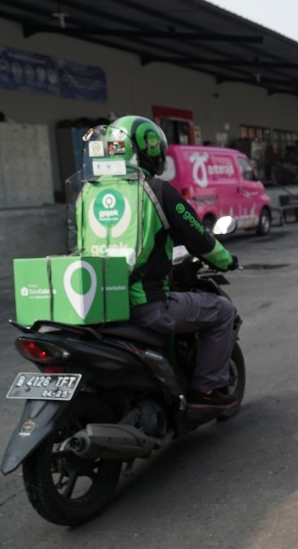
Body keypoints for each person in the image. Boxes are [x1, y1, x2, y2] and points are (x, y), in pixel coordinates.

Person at [102, 115, 240, 410]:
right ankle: (205, 388)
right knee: (222, 311)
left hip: (100, 303)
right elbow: (198, 238)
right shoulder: (156, 190)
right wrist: (227, 260)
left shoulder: (89, 191)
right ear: (150, 149)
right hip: (145, 304)